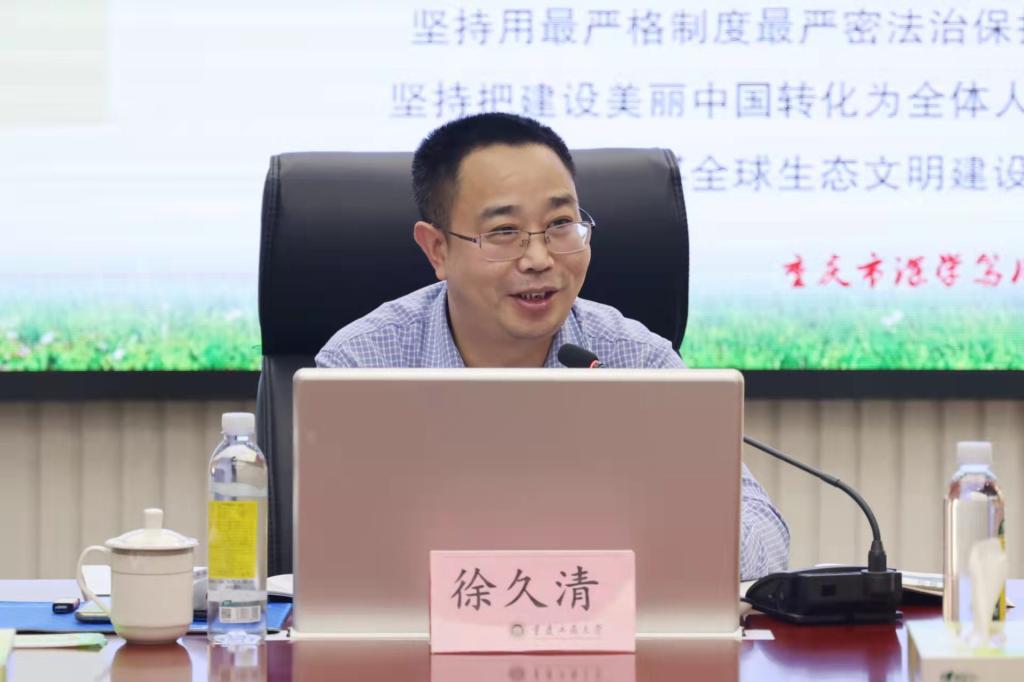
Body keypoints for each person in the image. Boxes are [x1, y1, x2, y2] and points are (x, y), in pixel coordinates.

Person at [316, 113, 789, 580]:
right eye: (504, 232)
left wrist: (660, 529)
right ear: (437, 250)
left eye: (561, 223)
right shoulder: (363, 365)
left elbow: (764, 539)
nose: (539, 259)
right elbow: (336, 550)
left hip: (595, 618)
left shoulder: (635, 362)